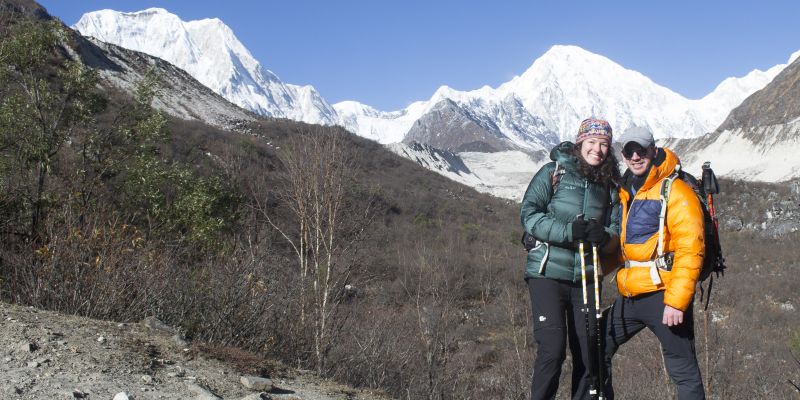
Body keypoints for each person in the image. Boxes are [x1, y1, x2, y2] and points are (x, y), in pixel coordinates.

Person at [520, 118, 621, 400]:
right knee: (552, 350)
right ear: (579, 143)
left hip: (587, 278)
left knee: (589, 353)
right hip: (547, 273)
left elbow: (617, 233)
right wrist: (568, 231)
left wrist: (603, 237)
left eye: (604, 144)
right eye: (592, 142)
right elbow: (529, 215)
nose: (598, 150)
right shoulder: (553, 172)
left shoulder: (610, 185)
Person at [603, 126, 706, 399]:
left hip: (664, 295)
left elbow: (690, 247)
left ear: (654, 150)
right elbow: (629, 247)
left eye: (641, 150)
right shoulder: (628, 190)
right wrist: (592, 271)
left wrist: (676, 301)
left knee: (683, 371)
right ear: (623, 155)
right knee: (597, 345)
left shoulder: (676, 190)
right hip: (632, 293)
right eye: (629, 151)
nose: (635, 156)